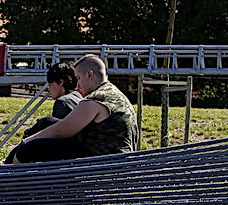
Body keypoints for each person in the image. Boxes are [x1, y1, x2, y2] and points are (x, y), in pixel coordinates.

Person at [8, 54, 139, 163]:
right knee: (47, 122)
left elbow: (62, 131)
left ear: (89, 74)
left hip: (103, 162)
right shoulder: (114, 94)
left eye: (78, 78)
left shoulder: (97, 99)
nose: (77, 85)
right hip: (114, 157)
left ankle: (4, 176)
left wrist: (25, 142)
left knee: (31, 149)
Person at [22, 62, 83, 138]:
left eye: (50, 84)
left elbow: (58, 135)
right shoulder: (78, 98)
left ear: (61, 82)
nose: (49, 88)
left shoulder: (62, 103)